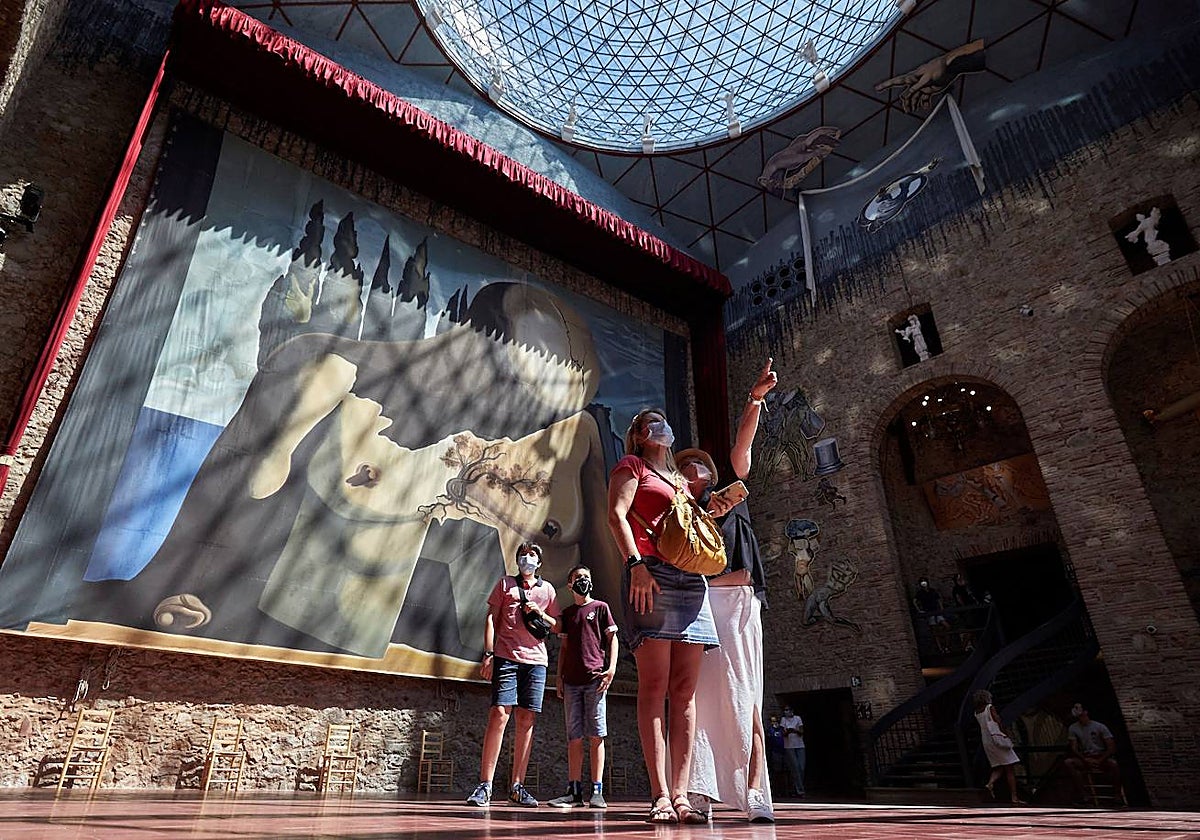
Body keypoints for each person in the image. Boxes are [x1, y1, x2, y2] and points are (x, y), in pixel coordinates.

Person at [606, 408, 719, 824]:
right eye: (651, 423)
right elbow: (616, 515)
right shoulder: (632, 465)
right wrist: (634, 564)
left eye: (664, 421)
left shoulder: (678, 479)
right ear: (637, 435)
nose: (662, 427)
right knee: (654, 684)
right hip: (649, 574)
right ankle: (659, 796)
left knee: (685, 690)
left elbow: (685, 529)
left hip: (691, 580)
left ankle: (682, 794)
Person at [679, 358, 778, 823]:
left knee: (746, 698)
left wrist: (754, 399)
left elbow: (743, 447)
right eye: (687, 467)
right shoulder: (680, 518)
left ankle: (756, 791)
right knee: (700, 700)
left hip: (739, 603)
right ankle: (699, 793)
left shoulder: (732, 491)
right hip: (700, 606)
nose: (695, 468)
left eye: (700, 463)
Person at [466, 543, 561, 808]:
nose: (527, 559)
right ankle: (485, 785)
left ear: (539, 562)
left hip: (536, 662)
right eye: (523, 555)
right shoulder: (505, 584)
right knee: (499, 713)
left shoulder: (548, 590)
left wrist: (540, 612)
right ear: (517, 559)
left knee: (526, 718)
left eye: (532, 555)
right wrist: (488, 654)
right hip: (506, 657)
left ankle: (517, 786)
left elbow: (558, 625)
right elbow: (490, 619)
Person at [547, 565, 619, 810]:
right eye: (578, 578)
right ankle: (574, 791)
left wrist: (611, 669)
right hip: (571, 683)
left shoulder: (601, 608)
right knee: (574, 736)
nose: (583, 581)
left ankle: (597, 791)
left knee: (596, 734)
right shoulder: (568, 614)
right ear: (569, 585)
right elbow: (565, 648)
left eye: (586, 577)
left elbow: (613, 639)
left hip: (595, 681)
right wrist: (559, 677)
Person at [1065, 702, 1124, 805]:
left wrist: (1100, 760)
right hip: (1086, 757)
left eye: (1078, 708)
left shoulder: (1100, 726)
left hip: (1101, 756)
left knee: (1114, 764)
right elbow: (1073, 748)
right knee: (1069, 763)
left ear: (1085, 711)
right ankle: (1084, 795)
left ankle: (1117, 795)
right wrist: (1084, 759)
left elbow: (1111, 747)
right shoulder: (1073, 728)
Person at [972, 689, 1024, 804]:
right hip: (997, 739)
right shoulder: (989, 708)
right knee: (1009, 768)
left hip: (987, 741)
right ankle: (1014, 797)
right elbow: (998, 720)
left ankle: (990, 783)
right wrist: (1006, 734)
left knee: (999, 766)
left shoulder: (976, 712)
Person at [914, 577, 950, 653]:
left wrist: (941, 608)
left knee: (946, 626)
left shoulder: (932, 591)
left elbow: (938, 599)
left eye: (925, 581)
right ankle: (940, 649)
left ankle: (946, 646)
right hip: (929, 613)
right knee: (934, 631)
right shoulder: (920, 593)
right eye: (922, 582)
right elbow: (915, 601)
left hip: (937, 611)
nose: (924, 583)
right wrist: (919, 610)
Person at [780, 705, 806, 796]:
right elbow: (783, 733)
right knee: (795, 767)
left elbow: (801, 731)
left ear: (792, 710)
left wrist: (794, 730)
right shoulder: (783, 720)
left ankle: (798, 786)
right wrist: (788, 732)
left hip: (799, 745)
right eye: (785, 710)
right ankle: (799, 790)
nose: (786, 711)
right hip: (789, 746)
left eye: (788, 710)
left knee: (801, 767)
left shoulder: (797, 718)